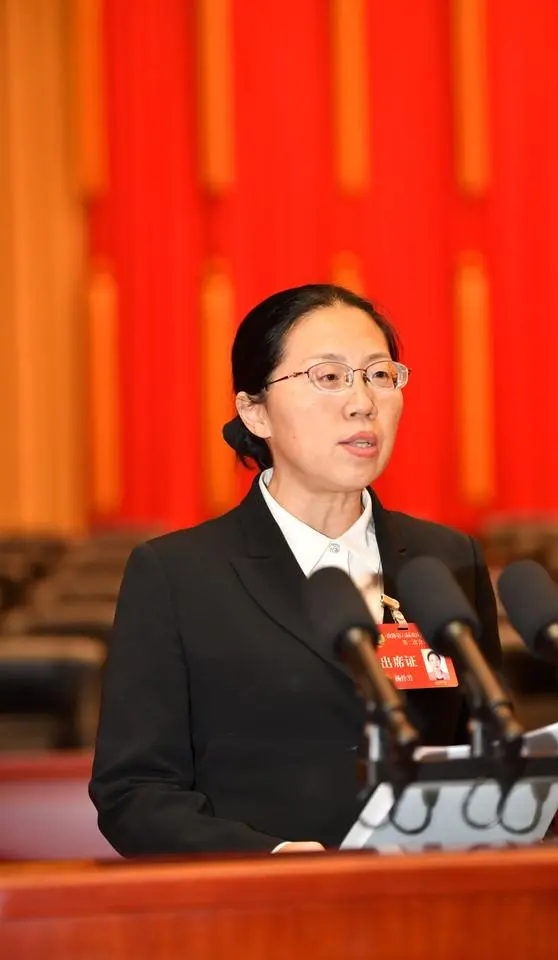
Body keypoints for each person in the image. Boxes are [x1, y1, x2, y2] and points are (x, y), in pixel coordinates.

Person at [90, 283, 501, 856]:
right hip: (262, 902)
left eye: (380, 375)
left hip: (424, 896)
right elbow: (134, 795)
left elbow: (483, 752)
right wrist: (273, 860)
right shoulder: (177, 576)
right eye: (329, 377)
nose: (362, 402)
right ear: (255, 411)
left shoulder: (447, 561)